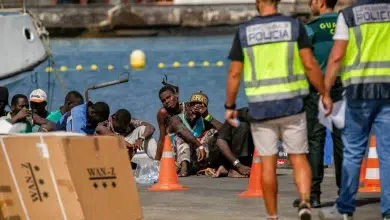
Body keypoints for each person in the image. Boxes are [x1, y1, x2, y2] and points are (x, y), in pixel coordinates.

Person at [224, 0, 332, 218]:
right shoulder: (294, 26)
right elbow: (310, 64)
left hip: (262, 108)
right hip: (293, 105)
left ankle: (272, 215)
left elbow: (235, 73)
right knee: (299, 157)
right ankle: (304, 201)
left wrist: (230, 105)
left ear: (258, 2)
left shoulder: (245, 31)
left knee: (268, 164)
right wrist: (324, 93)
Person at [319, 1, 390, 219]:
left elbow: (337, 56)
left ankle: (345, 208)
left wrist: (326, 91)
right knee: (387, 154)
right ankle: (388, 212)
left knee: (353, 152)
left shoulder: (349, 15)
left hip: (359, 92)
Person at [292, 0, 343, 208]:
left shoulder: (310, 28)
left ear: (320, 2)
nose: (309, 3)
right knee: (343, 142)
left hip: (316, 89)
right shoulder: (347, 24)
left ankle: (313, 194)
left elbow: (302, 61)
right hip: (343, 87)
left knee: (315, 140)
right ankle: (344, 193)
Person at [170, 92, 222, 177]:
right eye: (193, 105)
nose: (196, 109)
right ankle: (184, 168)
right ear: (188, 106)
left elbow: (225, 130)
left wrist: (207, 116)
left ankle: (206, 165)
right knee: (182, 136)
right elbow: (182, 130)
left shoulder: (201, 120)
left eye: (200, 107)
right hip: (177, 160)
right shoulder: (176, 119)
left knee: (213, 132)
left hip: (196, 159)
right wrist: (199, 145)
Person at [211, 107, 253, 178]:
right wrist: (238, 165)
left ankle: (225, 167)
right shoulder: (238, 116)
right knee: (242, 127)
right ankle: (233, 169)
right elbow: (220, 141)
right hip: (219, 151)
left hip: (233, 153)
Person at [156, 85, 184, 160]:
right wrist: (156, 163)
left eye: (168, 97)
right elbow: (162, 139)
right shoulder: (163, 113)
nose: (167, 101)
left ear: (176, 95)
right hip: (175, 147)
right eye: (163, 101)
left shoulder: (186, 107)